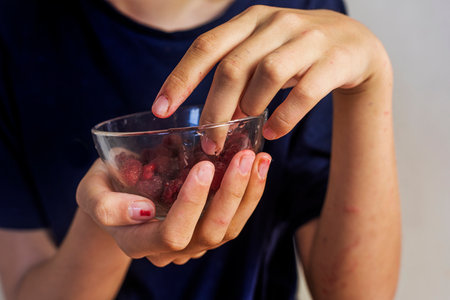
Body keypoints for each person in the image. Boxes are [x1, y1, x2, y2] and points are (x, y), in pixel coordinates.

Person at [0, 0, 401, 299]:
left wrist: (370, 78)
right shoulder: (14, 29)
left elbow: (358, 293)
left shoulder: (302, 22)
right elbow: (27, 287)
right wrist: (110, 218)